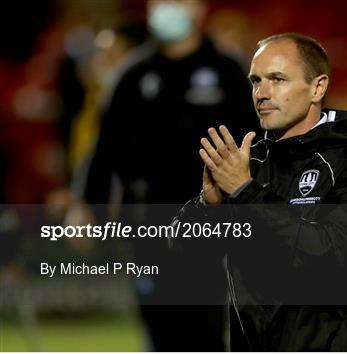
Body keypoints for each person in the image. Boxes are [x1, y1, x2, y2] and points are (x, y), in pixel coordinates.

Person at [177, 32, 347, 351]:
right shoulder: (249, 164)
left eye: (277, 79)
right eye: (256, 81)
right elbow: (179, 258)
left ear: (318, 87)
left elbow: (328, 255)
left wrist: (246, 192)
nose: (261, 92)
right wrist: (209, 207)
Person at [82, 0, 258, 351]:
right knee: (158, 323)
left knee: (205, 322)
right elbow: (106, 149)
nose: (165, 8)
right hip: (148, 218)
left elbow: (256, 143)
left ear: (197, 8)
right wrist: (91, 206)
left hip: (213, 220)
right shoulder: (133, 74)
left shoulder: (228, 72)